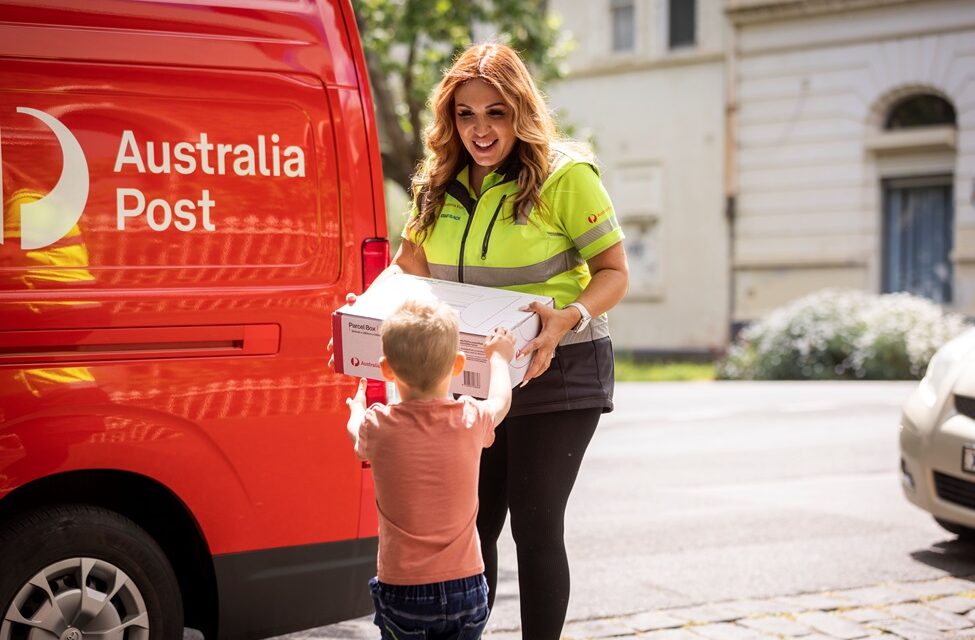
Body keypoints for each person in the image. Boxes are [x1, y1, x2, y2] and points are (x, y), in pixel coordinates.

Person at [377, 42, 629, 638]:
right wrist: (364, 323)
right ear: (450, 117)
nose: (481, 129)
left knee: (536, 527)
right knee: (474, 524)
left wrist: (568, 317)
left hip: (557, 369)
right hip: (465, 374)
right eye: (466, 114)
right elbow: (406, 270)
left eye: (497, 112)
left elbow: (614, 273)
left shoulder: (567, 177)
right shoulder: (436, 182)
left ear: (521, 109)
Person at [345, 299, 517, 640]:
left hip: (404, 588)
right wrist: (499, 358)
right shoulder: (470, 418)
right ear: (457, 365)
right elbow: (500, 401)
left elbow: (355, 431)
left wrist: (356, 407)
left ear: (386, 369)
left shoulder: (378, 424)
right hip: (465, 585)